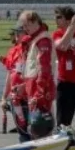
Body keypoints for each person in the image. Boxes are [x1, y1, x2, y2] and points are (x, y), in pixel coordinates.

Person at [17, 11, 56, 139]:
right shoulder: (35, 39)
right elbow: (33, 69)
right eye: (23, 26)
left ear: (35, 22)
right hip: (35, 88)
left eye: (26, 25)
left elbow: (44, 69)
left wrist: (39, 94)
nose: (24, 29)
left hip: (41, 90)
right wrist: (24, 85)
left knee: (41, 128)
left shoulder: (42, 40)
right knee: (36, 128)